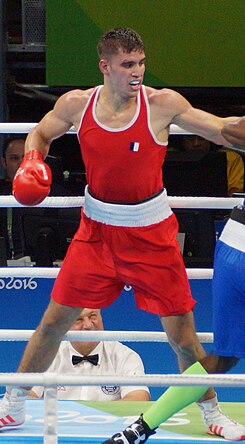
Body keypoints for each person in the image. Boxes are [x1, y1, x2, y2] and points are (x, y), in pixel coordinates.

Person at [0, 27, 245, 441]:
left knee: (183, 338)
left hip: (151, 234)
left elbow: (220, 129)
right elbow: (40, 132)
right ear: (105, 66)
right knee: (52, 323)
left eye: (142, 63)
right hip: (95, 232)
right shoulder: (77, 104)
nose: (137, 72)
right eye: (128, 65)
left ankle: (212, 413)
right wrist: (30, 159)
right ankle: (14, 405)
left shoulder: (162, 103)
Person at [29, 308, 150, 401]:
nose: (88, 325)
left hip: (109, 430)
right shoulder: (48, 354)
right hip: (58, 427)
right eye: (78, 319)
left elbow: (139, 398)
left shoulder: (124, 355)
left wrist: (94, 416)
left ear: (101, 318)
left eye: (93, 316)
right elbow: (25, 396)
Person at [0, 136, 25, 258]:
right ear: (4, 163)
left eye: (26, 157)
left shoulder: (55, 193)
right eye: (15, 158)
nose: (21, 163)